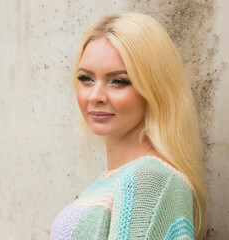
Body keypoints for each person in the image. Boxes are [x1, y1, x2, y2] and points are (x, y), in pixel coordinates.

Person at [50, 12, 208, 240]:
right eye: (86, 78)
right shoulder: (116, 179)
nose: (96, 95)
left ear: (155, 89)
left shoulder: (150, 179)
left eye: (119, 81)